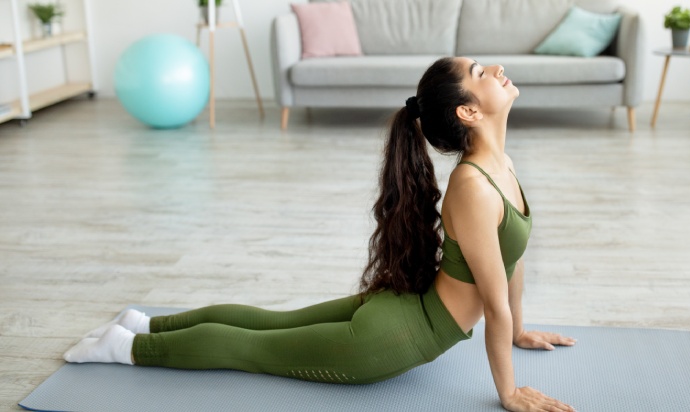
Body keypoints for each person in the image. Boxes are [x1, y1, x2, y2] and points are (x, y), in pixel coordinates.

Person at [63, 57, 577, 412]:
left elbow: (511, 258)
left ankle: (146, 324)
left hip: (403, 312)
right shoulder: (475, 187)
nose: (498, 71)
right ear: (468, 111)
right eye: (482, 72)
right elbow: (494, 299)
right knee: (253, 349)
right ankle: (127, 347)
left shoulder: (498, 167)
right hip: (391, 339)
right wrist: (508, 392)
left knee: (270, 324)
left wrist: (516, 331)